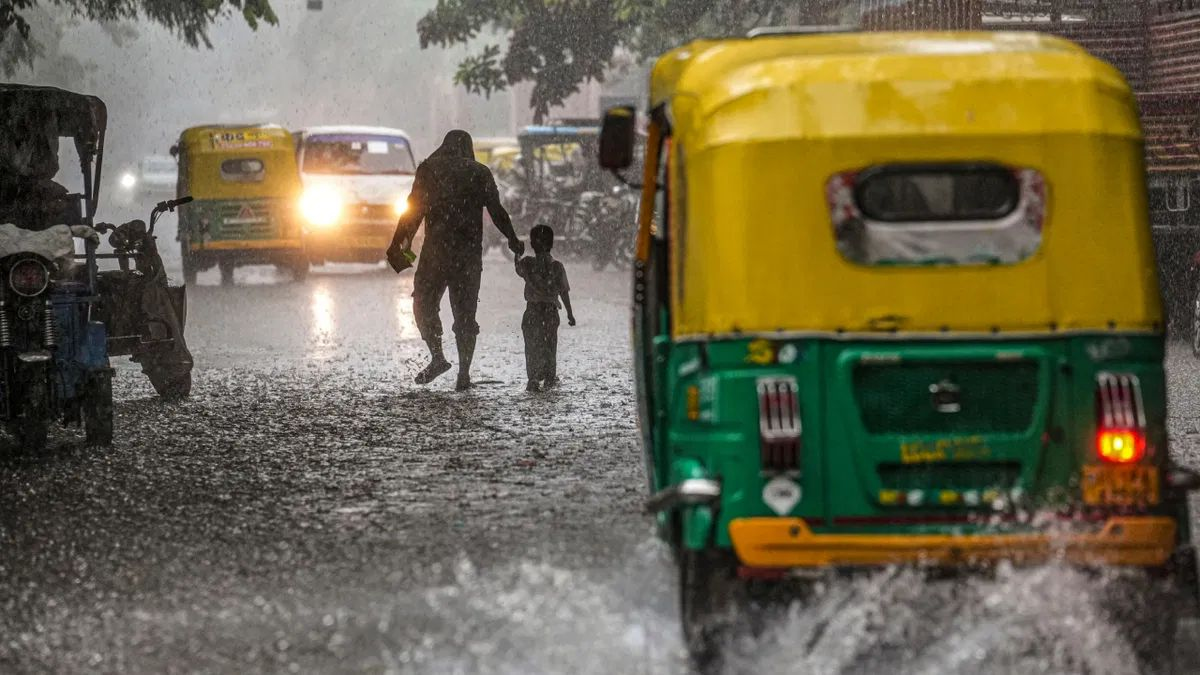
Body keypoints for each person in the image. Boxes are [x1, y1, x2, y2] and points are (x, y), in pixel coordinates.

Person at [389, 130, 524, 391]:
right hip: (468, 256)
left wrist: (399, 245)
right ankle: (464, 374)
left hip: (435, 254)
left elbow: (412, 212)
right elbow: (497, 211)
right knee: (465, 316)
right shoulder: (479, 172)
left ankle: (438, 357)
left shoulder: (428, 169)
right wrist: (512, 239)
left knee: (423, 304)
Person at [515, 224, 575, 392]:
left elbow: (517, 268)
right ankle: (549, 377)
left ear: (532, 244)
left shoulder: (527, 264)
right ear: (552, 244)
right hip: (550, 312)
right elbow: (564, 292)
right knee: (550, 345)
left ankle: (533, 378)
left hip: (532, 311)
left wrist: (517, 253)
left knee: (532, 346)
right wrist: (570, 314)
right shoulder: (557, 267)